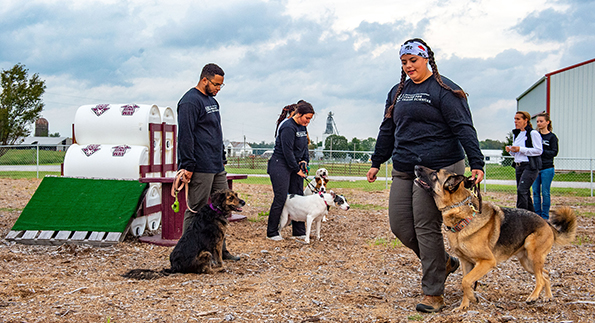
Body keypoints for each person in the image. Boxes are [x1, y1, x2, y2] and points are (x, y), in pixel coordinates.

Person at [366, 38, 485, 313]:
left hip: (438, 170)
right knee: (400, 226)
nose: (408, 66)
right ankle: (443, 262)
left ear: (426, 59)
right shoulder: (397, 92)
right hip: (405, 166)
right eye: (404, 62)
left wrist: (476, 162)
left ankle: (433, 293)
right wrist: (377, 161)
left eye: (413, 61)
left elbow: (464, 127)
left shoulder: (445, 90)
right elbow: (387, 128)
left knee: (424, 226)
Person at [176, 63, 239, 261]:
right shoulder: (189, 102)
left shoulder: (212, 101)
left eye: (221, 85)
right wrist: (187, 165)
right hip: (199, 166)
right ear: (204, 80)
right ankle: (188, 253)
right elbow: (185, 136)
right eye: (216, 85)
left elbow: (216, 132)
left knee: (221, 209)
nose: (218, 89)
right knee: (197, 210)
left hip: (216, 165)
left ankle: (221, 251)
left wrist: (221, 156)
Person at [266, 100, 314, 241]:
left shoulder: (302, 127)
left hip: (295, 165)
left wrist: (305, 161)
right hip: (280, 164)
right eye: (307, 118)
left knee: (298, 196)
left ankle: (298, 231)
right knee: (281, 198)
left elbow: (304, 147)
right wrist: (295, 169)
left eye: (310, 119)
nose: (308, 122)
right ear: (299, 114)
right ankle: (272, 232)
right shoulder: (288, 127)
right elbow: (287, 152)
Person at [506, 111, 543, 212]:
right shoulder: (517, 134)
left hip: (529, 165)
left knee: (522, 190)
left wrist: (521, 149)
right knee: (524, 192)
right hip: (519, 165)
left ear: (525, 120)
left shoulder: (533, 133)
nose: (515, 121)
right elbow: (516, 153)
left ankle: (520, 215)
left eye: (518, 119)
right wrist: (511, 151)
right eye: (515, 119)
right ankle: (532, 216)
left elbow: (539, 150)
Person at [532, 113, 558, 219]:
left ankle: (545, 216)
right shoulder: (535, 136)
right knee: (535, 192)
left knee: (545, 192)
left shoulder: (552, 137)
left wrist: (541, 151)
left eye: (541, 121)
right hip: (535, 168)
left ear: (547, 122)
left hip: (547, 168)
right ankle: (537, 215)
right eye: (537, 121)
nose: (539, 123)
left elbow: (554, 152)